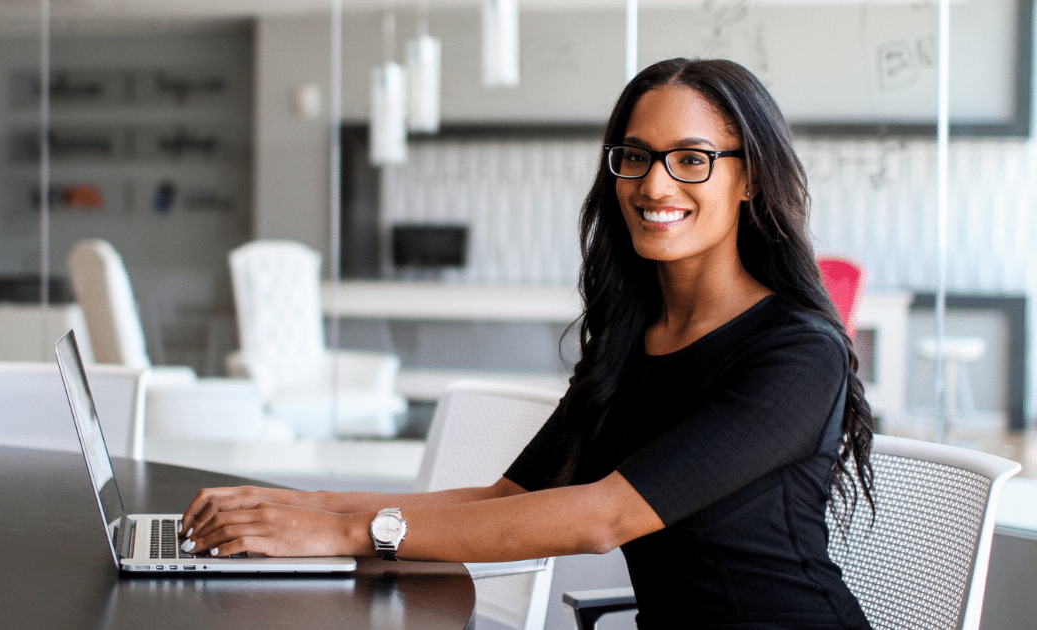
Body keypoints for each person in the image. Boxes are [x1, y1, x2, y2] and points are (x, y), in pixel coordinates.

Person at [178, 57, 875, 629]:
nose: (655, 183)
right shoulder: (636, 340)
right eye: (636, 156)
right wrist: (311, 507)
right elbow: (505, 495)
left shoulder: (796, 352)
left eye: (691, 159)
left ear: (749, 176)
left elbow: (605, 516)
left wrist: (347, 533)